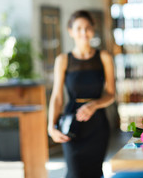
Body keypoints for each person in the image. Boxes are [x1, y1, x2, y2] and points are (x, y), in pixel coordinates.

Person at [47, 10, 115, 178]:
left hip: (97, 125)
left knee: (94, 173)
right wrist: (51, 126)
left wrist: (95, 104)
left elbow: (111, 94)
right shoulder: (63, 60)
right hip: (71, 123)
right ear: (70, 31)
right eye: (78, 28)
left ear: (93, 29)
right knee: (75, 172)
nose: (83, 32)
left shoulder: (104, 57)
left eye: (87, 28)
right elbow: (57, 97)